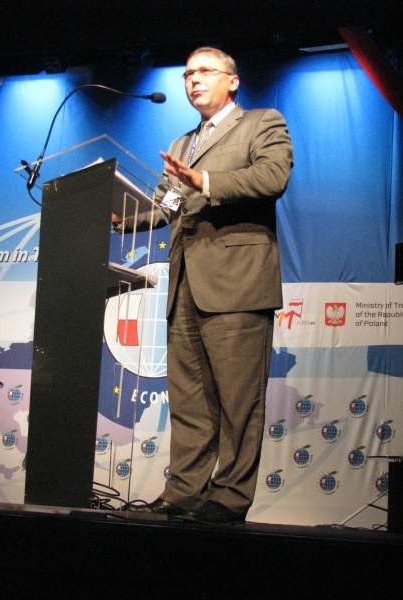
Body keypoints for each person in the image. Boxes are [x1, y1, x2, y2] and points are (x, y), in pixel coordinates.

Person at [115, 47, 293, 523]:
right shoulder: (181, 144)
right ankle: (184, 493)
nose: (194, 80)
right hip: (184, 288)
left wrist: (206, 181)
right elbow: (168, 204)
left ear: (232, 81)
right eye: (188, 74)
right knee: (189, 401)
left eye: (205, 71)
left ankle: (229, 497)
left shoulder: (262, 123)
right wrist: (123, 220)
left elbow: (273, 176)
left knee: (239, 401)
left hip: (237, 282)